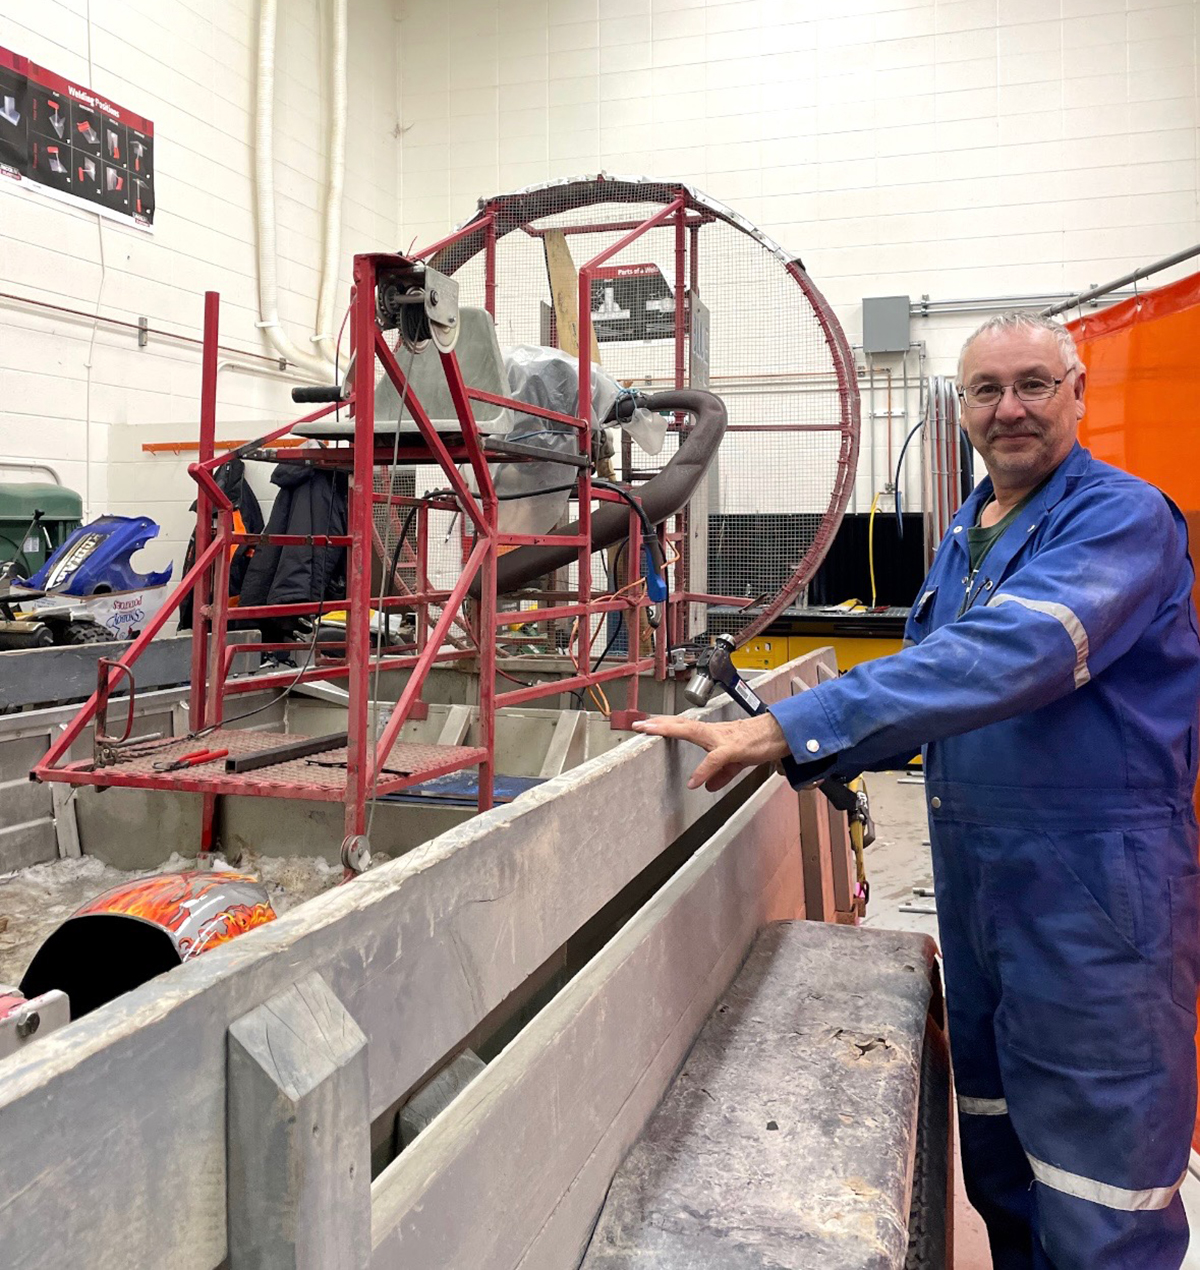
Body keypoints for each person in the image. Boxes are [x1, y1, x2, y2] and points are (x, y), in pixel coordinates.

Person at [634, 312, 1200, 1269]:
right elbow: (934, 693)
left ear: (1078, 391)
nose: (1009, 409)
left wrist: (789, 728)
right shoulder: (968, 535)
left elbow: (1008, 656)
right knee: (1001, 1153)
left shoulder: (1120, 517)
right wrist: (810, 747)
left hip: (1096, 900)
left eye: (1033, 384)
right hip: (981, 888)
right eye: (986, 390)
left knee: (1100, 1183)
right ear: (963, 409)